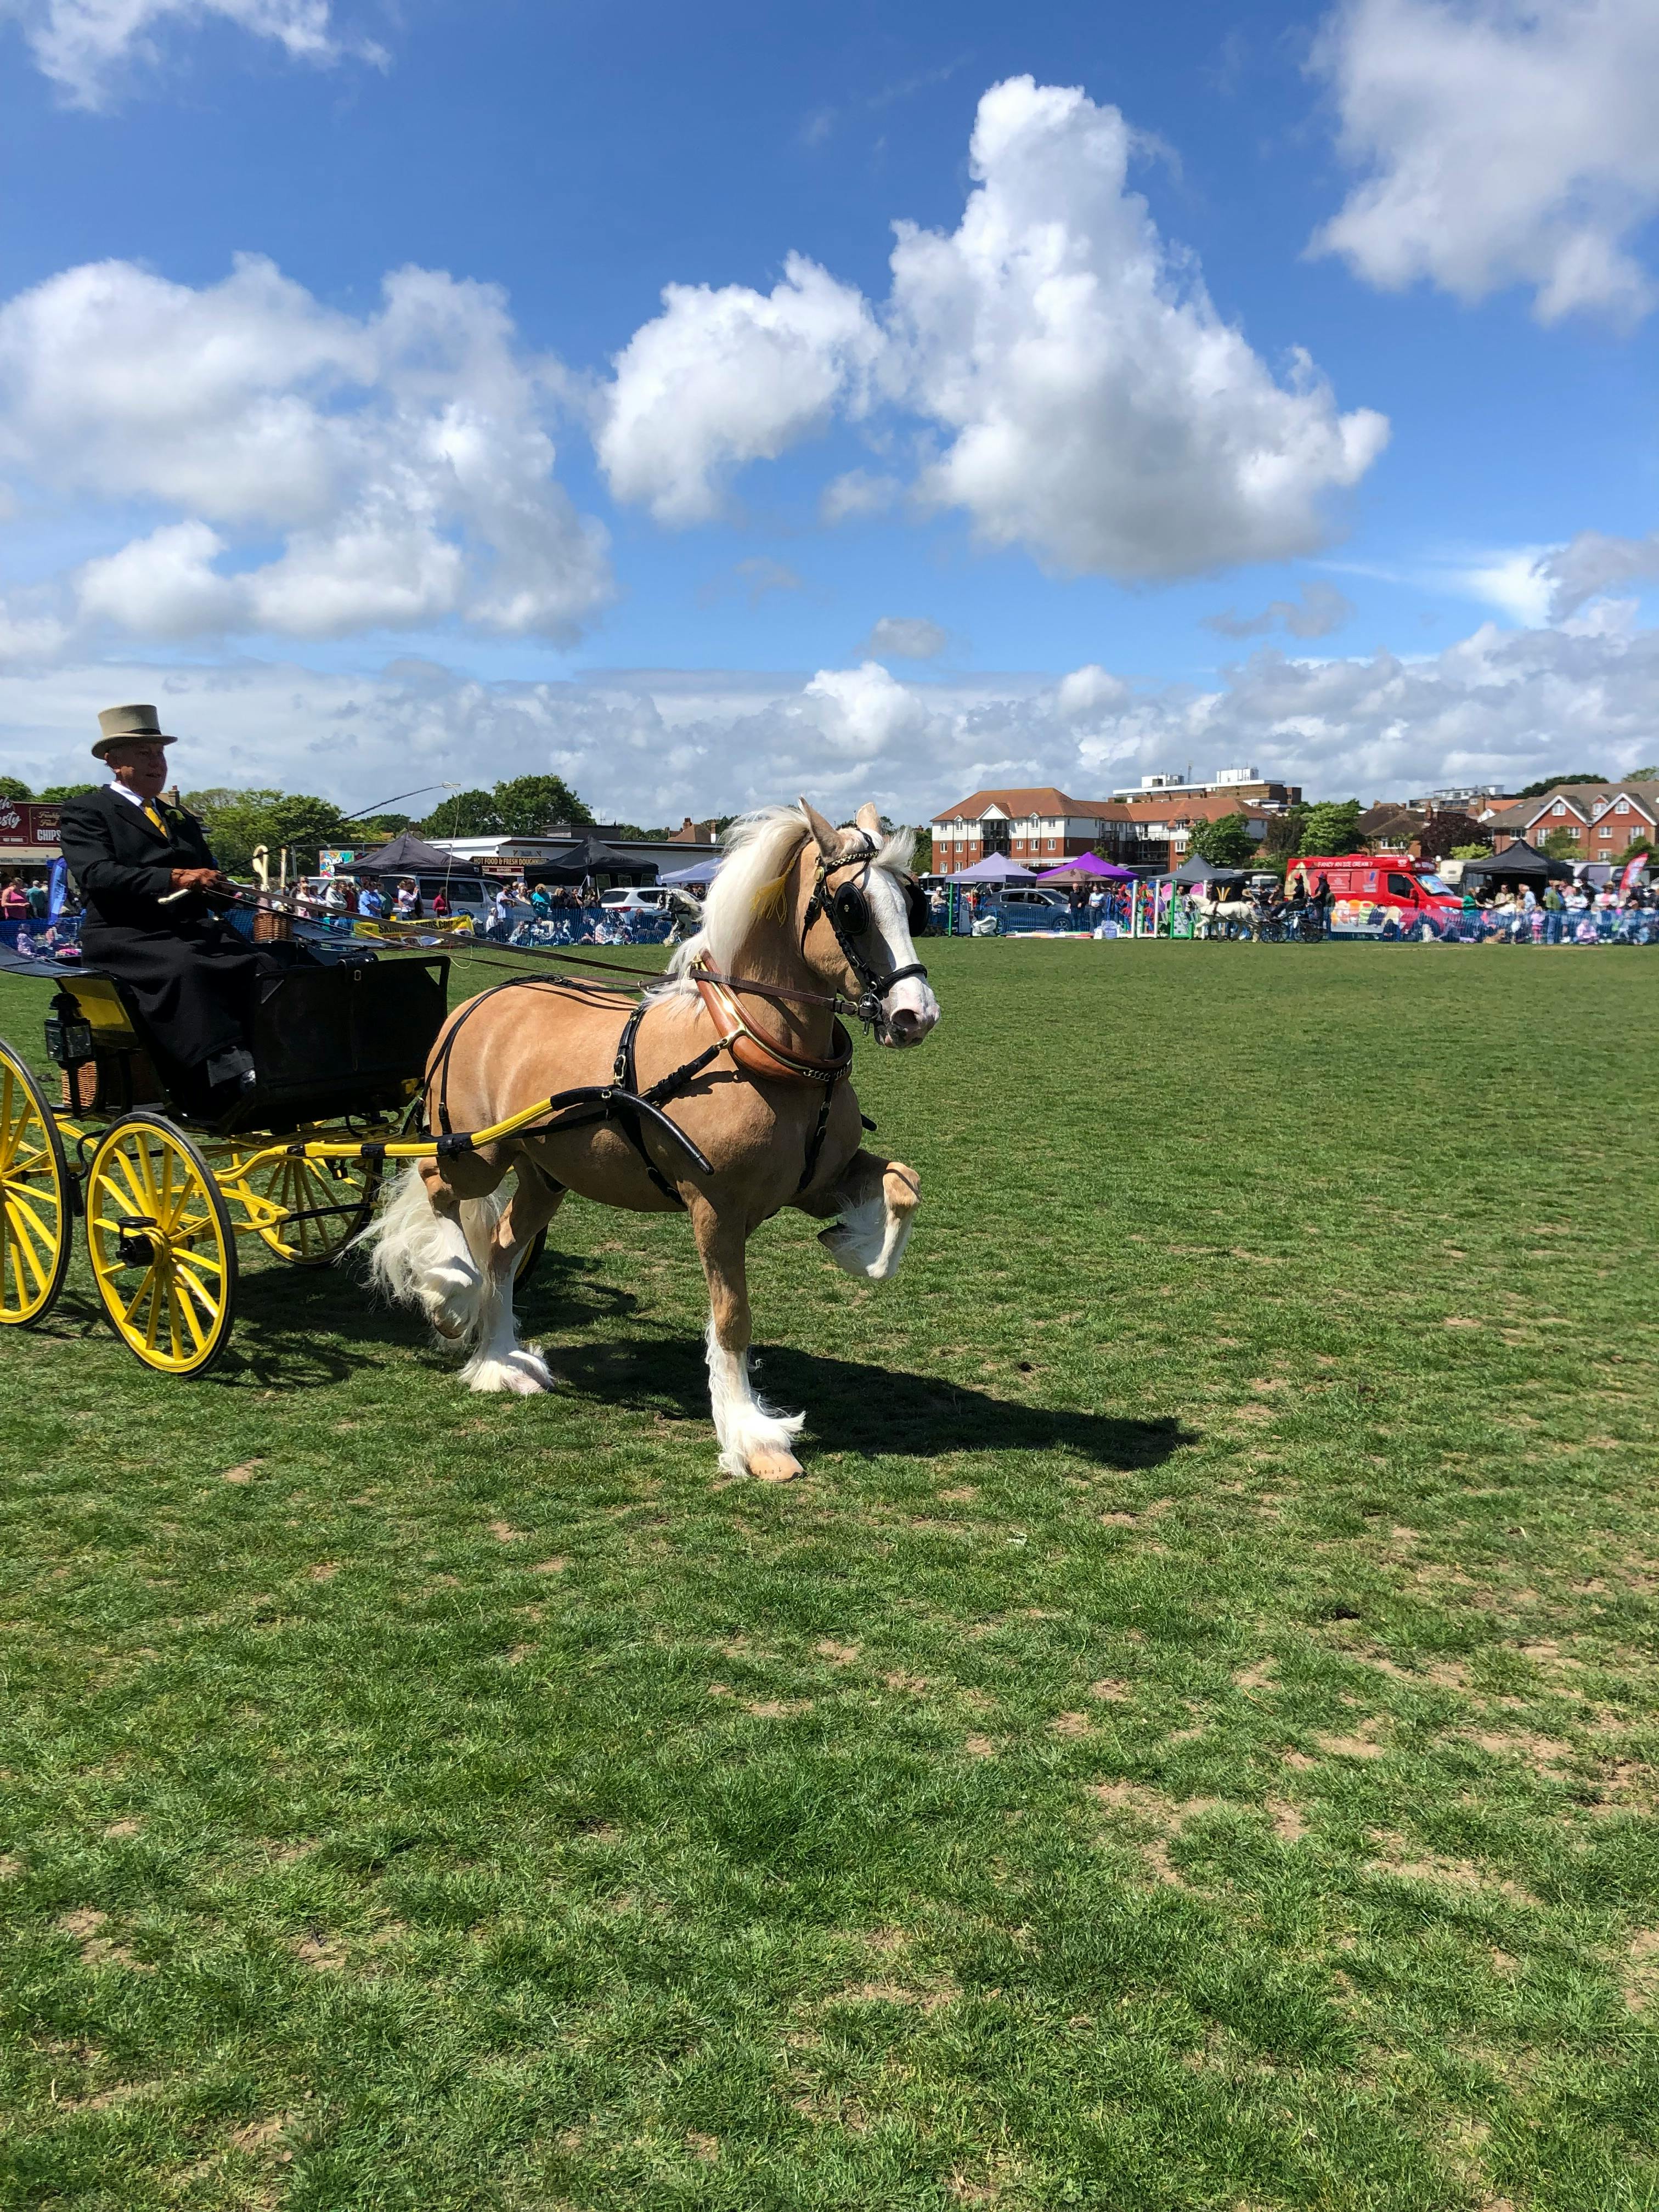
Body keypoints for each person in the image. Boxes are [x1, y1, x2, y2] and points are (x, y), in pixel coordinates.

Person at [58, 703, 278, 1110]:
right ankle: (227, 1073)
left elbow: (206, 875)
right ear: (113, 760)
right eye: (144, 754)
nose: (156, 763)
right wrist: (175, 877)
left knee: (263, 963)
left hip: (190, 931)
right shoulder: (86, 811)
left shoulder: (179, 818)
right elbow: (97, 874)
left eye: (160, 754)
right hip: (124, 936)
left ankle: (277, 1061)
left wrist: (226, 890)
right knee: (187, 969)